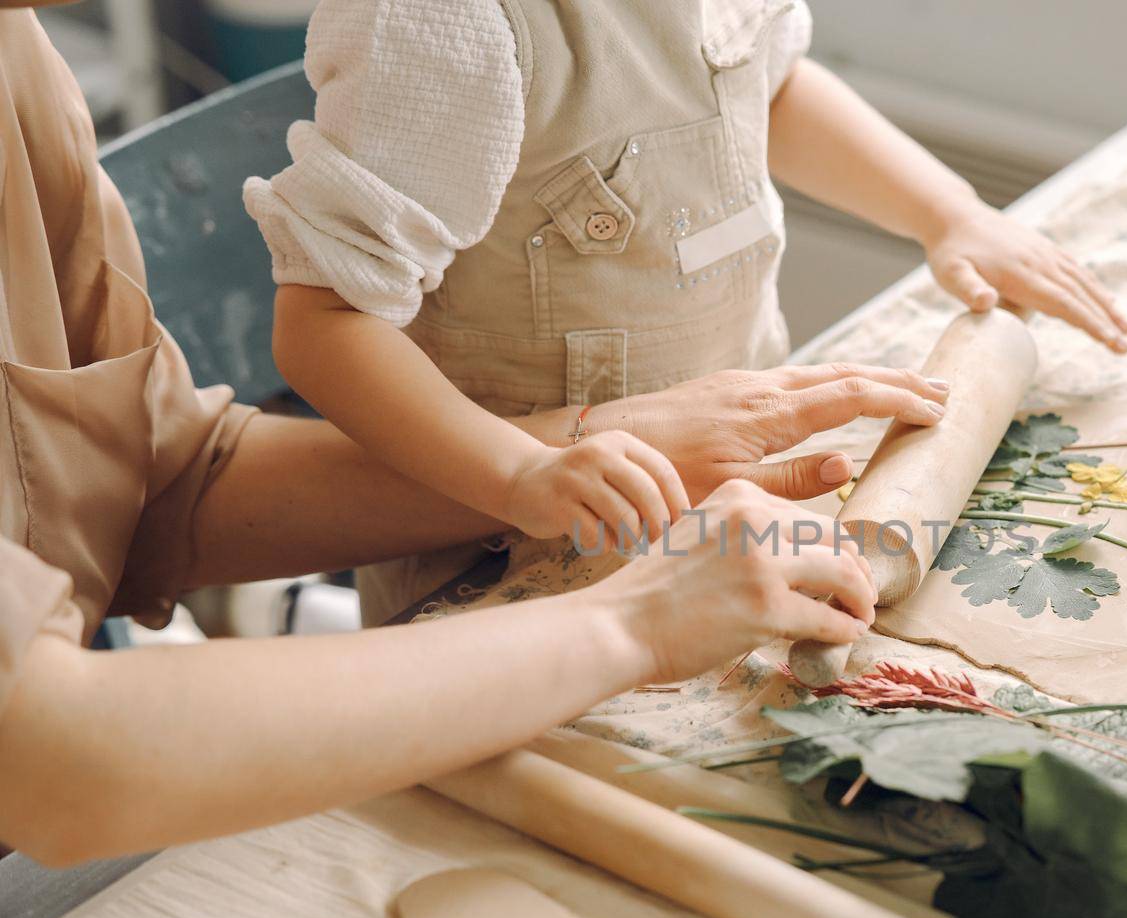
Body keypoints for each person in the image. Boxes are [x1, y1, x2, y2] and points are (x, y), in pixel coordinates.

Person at [0, 6, 943, 868]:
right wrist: (632, 619)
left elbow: (163, 479)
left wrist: (580, 442)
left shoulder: (17, 59)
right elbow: (53, 758)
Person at [245, 0, 1127, 621]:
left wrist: (950, 215)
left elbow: (771, 88)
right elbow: (326, 323)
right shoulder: (448, 24)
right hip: (519, 548)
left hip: (733, 499)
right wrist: (521, 475)